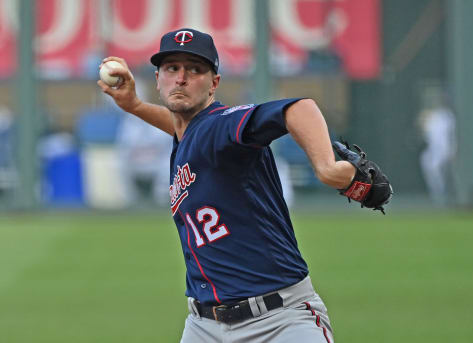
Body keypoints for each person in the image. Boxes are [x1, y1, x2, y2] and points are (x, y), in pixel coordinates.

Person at [97, 28, 390, 343]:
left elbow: (299, 108)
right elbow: (181, 128)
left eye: (195, 69)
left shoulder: (222, 125)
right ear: (158, 78)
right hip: (203, 326)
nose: (181, 78)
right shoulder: (189, 134)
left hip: (279, 322)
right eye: (172, 68)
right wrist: (135, 106)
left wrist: (328, 167)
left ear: (214, 84)